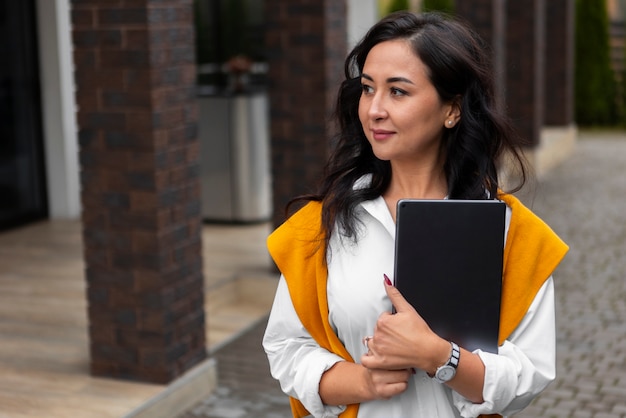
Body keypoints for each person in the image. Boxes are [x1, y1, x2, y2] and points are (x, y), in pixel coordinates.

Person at [262, 11, 568, 418]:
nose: (373, 110)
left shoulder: (513, 234)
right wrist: (363, 382)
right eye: (368, 89)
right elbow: (287, 348)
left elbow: (529, 373)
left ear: (452, 110)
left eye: (398, 92)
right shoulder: (321, 225)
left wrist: (441, 357)